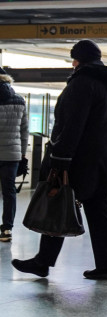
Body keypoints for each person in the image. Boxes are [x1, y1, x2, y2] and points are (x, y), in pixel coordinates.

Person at [12, 40, 107, 280]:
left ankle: (43, 262)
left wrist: (59, 158)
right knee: (100, 211)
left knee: (58, 202)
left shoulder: (82, 83)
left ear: (77, 60)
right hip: (106, 158)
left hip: (80, 158)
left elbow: (72, 125)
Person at [0, 67, 29, 243]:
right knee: (9, 192)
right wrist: (22, 154)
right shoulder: (19, 100)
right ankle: (7, 229)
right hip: (12, 155)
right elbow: (24, 131)